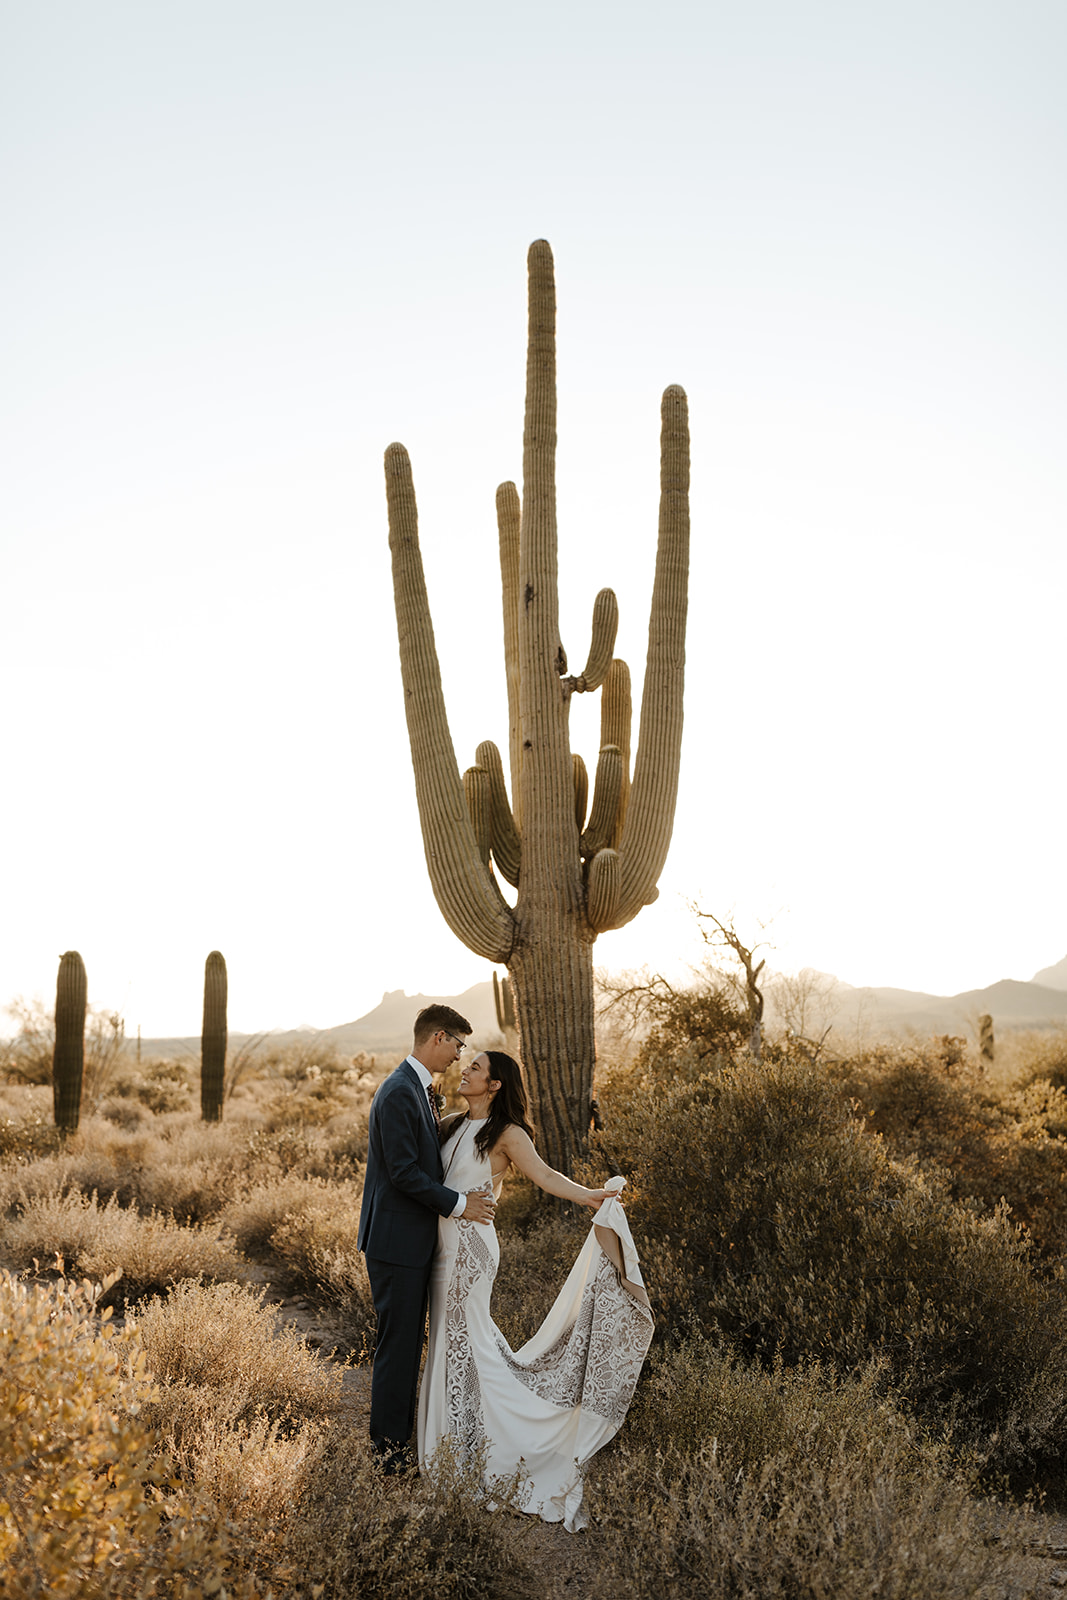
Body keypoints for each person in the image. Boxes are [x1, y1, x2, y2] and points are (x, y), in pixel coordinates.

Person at [417, 1049, 655, 1532]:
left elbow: (543, 1175)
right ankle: (452, 1445)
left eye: (477, 1067)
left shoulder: (507, 1133)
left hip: (470, 1252)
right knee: (451, 1343)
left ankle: (483, 1452)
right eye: (468, 1065)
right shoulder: (452, 1123)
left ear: (497, 1084)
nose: (466, 1070)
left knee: (466, 1344)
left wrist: (588, 1195)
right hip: (441, 1248)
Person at [357, 1004, 496, 1472]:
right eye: (458, 1046)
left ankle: (398, 1445)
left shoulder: (417, 1088)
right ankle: (390, 1458)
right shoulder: (399, 1091)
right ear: (439, 1037)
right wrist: (460, 1204)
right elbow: (402, 1173)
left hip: (409, 1242)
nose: (459, 1057)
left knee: (404, 1346)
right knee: (397, 1349)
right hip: (397, 1243)